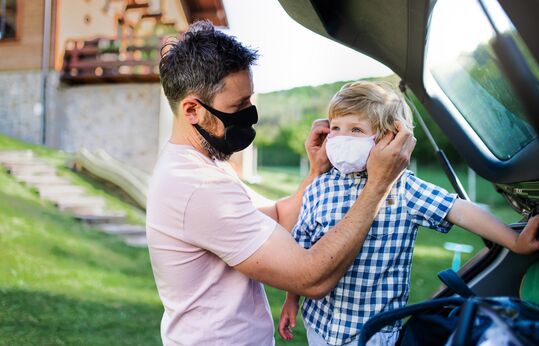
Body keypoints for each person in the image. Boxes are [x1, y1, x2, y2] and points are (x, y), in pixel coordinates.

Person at [146, 21, 416, 345]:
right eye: (238, 106)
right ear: (192, 109)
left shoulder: (202, 164)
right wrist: (378, 187)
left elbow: (275, 216)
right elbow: (311, 277)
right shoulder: (196, 186)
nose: (250, 114)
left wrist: (316, 172)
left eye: (250, 100)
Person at [277, 81, 539, 346]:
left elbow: (458, 210)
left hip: (374, 333)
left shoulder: (404, 187)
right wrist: (291, 299)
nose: (342, 138)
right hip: (319, 325)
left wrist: (514, 240)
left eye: (356, 129)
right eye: (335, 128)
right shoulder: (319, 187)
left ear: (390, 138)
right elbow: (302, 248)